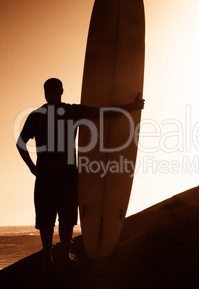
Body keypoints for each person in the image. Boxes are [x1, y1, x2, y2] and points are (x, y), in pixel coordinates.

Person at [16, 78, 144, 270]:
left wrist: (32, 166)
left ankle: (49, 260)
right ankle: (60, 258)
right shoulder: (69, 112)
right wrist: (131, 107)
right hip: (64, 175)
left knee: (50, 219)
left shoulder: (38, 115)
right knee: (60, 219)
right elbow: (104, 113)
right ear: (61, 90)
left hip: (49, 176)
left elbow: (20, 142)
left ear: (48, 92)